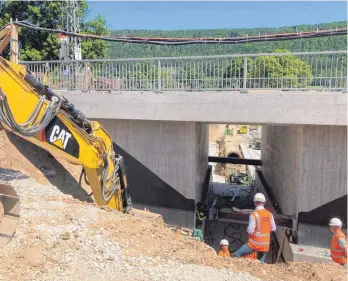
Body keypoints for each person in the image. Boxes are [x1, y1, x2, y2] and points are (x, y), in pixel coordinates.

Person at [232, 193, 276, 263]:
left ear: (254, 202)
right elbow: (273, 228)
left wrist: (247, 229)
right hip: (265, 245)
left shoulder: (254, 214)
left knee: (236, 254)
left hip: (254, 244)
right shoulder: (269, 214)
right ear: (264, 202)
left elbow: (250, 230)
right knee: (261, 263)